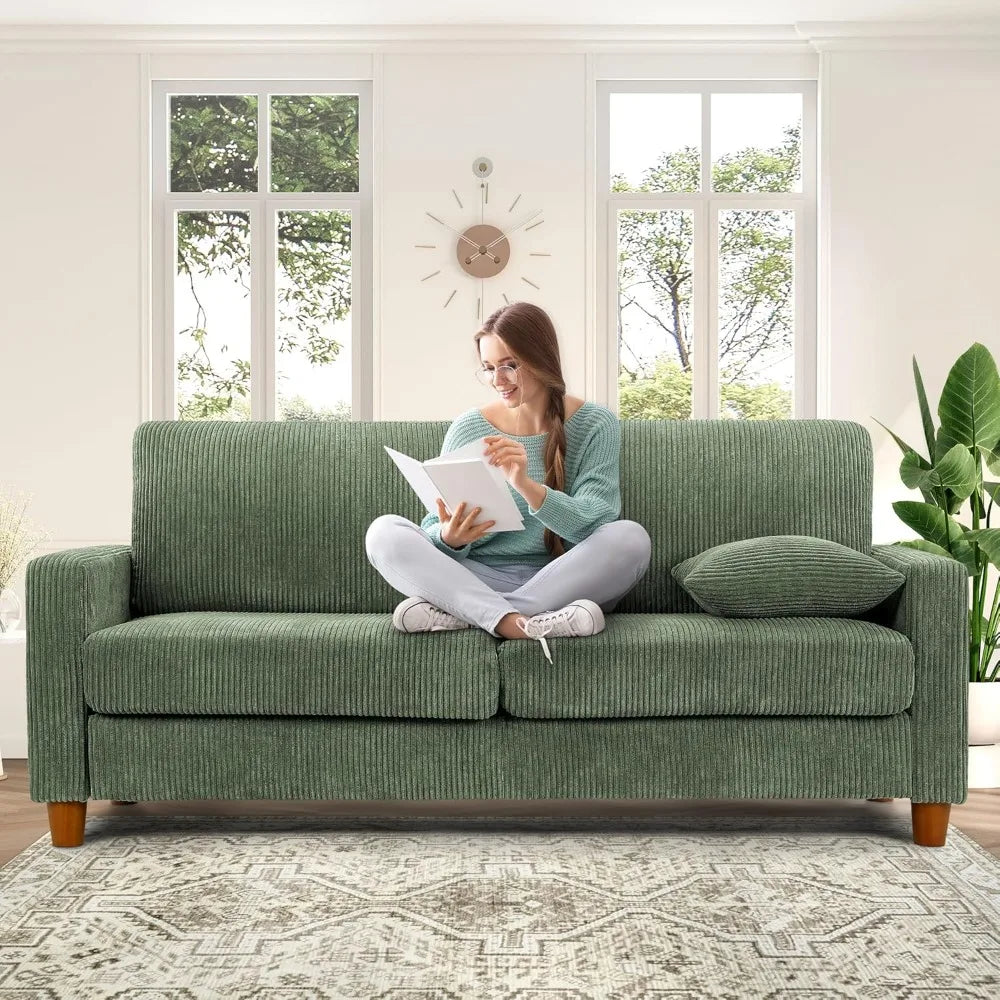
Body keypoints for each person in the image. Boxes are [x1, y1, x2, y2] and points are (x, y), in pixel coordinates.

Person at [365, 301, 651, 664]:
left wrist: (525, 485)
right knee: (383, 532)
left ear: (541, 359)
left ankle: (468, 616)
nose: (498, 380)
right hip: (477, 576)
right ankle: (525, 623)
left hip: (561, 579)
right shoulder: (470, 426)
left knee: (630, 538)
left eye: (509, 365)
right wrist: (451, 539)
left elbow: (595, 522)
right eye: (488, 368)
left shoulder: (595, 423)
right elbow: (436, 524)